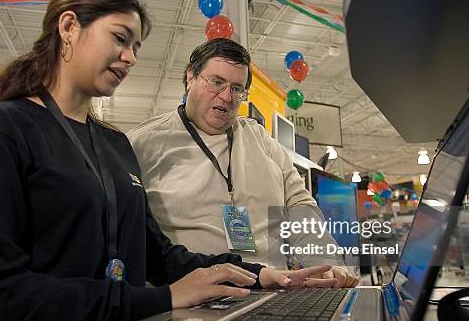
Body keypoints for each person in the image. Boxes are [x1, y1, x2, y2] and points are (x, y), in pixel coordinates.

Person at [0, 0, 344, 321]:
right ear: (68, 28)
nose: (132, 57)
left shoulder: (113, 145)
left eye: (135, 46)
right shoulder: (3, 130)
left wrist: (261, 275)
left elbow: (155, 253)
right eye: (120, 38)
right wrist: (163, 299)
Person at [128, 38, 358, 286]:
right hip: (194, 300)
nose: (227, 96)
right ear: (190, 77)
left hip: (273, 292)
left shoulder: (260, 139)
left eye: (237, 88)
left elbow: (298, 205)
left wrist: (325, 262)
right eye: (217, 82)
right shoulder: (142, 144)